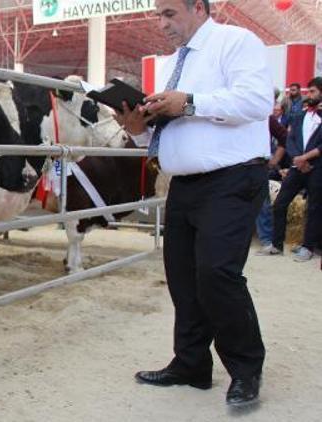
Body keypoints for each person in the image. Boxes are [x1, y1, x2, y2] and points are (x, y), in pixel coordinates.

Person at [116, 0, 272, 407]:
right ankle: (191, 364)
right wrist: (137, 130)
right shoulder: (169, 66)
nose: (161, 23)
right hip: (182, 183)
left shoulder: (237, 42)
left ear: (199, 8)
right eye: (157, 15)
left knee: (217, 273)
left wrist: (189, 102)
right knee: (183, 277)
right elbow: (162, 136)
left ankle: (246, 370)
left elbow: (256, 103)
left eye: (169, 13)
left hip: (233, 177)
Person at [261, 78, 322, 260]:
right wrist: (298, 158)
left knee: (313, 208)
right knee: (280, 204)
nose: (308, 95)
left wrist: (306, 158)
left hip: (317, 167)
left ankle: (308, 247)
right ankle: (276, 244)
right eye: (308, 91)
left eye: (312, 91)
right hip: (297, 167)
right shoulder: (299, 117)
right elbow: (290, 140)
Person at [255, 111, 289, 250]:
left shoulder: (264, 117)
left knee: (262, 203)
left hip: (257, 164)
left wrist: (274, 161)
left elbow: (285, 138)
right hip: (228, 166)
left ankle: (267, 239)